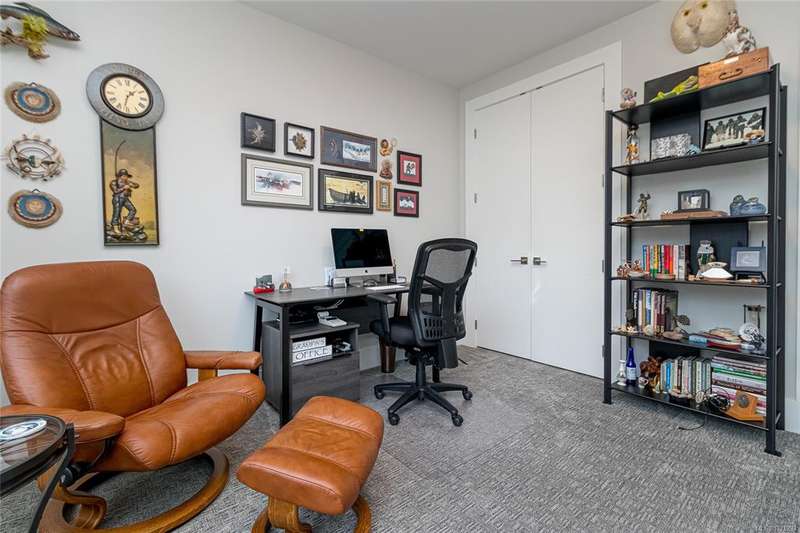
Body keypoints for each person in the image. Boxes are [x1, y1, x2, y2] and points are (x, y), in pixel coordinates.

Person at [110, 168, 139, 233]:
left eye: (126, 176)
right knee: (116, 213)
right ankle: (115, 227)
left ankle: (127, 222)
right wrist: (123, 188)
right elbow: (115, 191)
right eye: (124, 176)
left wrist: (132, 185)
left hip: (125, 198)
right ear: (120, 176)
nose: (126, 177)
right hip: (117, 198)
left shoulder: (127, 182)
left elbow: (137, 185)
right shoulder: (114, 182)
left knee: (133, 210)